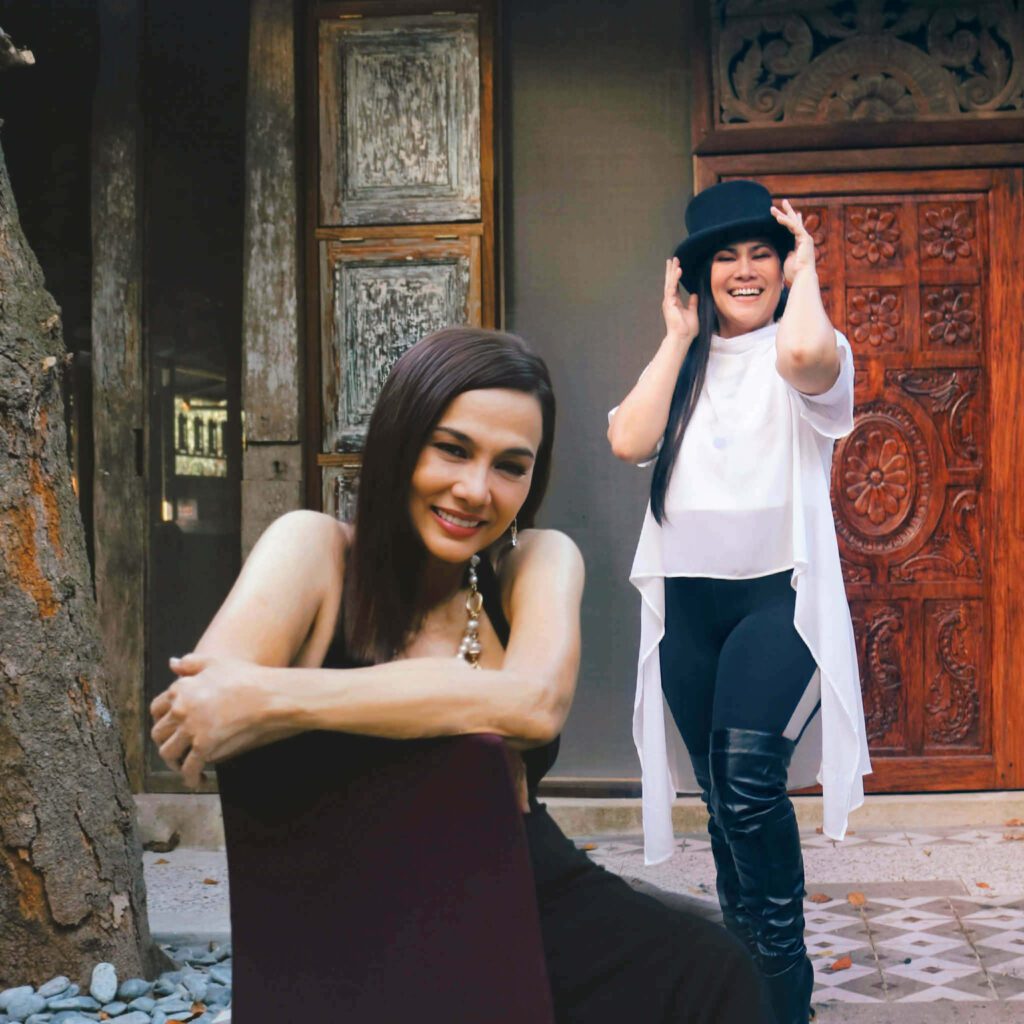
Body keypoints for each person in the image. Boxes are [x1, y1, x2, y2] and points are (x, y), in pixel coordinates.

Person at [150, 326, 771, 1024]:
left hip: (531, 898)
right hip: (354, 925)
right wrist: (472, 706)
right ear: (399, 441)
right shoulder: (314, 550)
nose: (476, 490)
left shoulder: (536, 562)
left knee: (714, 971)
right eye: (451, 449)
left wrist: (271, 695)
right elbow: (195, 722)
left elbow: (535, 704)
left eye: (511, 466)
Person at [607, 181, 872, 1024]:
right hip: (691, 607)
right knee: (723, 804)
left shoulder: (809, 345)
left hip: (778, 599)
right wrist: (677, 335)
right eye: (727, 256)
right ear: (699, 273)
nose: (746, 269)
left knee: (751, 784)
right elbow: (628, 438)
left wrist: (809, 271)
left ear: (783, 265)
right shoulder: (684, 364)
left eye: (763, 253)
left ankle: (782, 989)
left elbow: (806, 362)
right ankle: (745, 986)